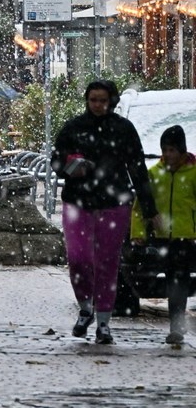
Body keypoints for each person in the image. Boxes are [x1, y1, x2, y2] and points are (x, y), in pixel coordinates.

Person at [52, 79, 157, 345]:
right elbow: (55, 160)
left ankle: (103, 323)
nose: (97, 105)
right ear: (87, 101)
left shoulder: (123, 129)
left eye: (102, 100)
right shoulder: (74, 128)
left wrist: (149, 208)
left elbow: (137, 168)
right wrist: (70, 164)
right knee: (78, 257)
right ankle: (85, 306)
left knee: (108, 263)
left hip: (113, 202)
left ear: (111, 101)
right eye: (93, 100)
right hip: (78, 201)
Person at [130, 125, 195, 344]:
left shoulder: (193, 173)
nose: (167, 155)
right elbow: (140, 207)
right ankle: (175, 324)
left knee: (180, 281)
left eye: (172, 150)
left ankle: (176, 326)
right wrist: (138, 233)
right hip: (160, 238)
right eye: (164, 150)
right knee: (171, 280)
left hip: (186, 238)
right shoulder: (155, 174)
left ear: (182, 151)